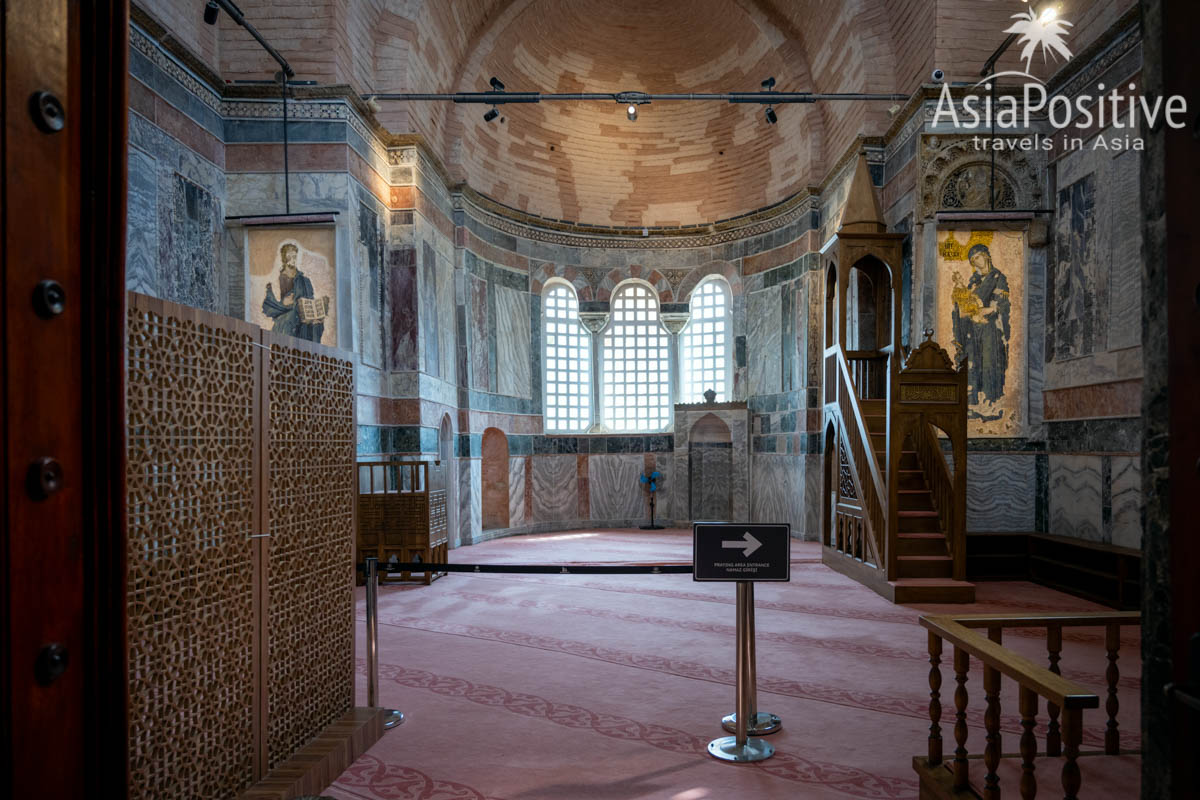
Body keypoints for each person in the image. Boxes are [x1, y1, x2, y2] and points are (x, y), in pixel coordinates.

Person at [951, 243, 1011, 406]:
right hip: (972, 329)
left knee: (988, 362)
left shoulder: (998, 278)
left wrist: (982, 310)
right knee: (971, 362)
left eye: (977, 257)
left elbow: (1000, 305)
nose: (975, 262)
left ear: (986, 256)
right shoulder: (973, 281)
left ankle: (991, 399)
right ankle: (973, 400)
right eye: (972, 260)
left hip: (990, 329)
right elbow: (964, 305)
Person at [261, 242, 327, 343]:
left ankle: (311, 355)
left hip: (304, 318)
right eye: (289, 256)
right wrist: (283, 303)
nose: (293, 258)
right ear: (284, 258)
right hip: (286, 318)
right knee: (291, 319)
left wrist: (316, 314)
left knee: (316, 324)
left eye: (294, 256)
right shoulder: (275, 280)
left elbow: (310, 301)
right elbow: (268, 306)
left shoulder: (304, 281)